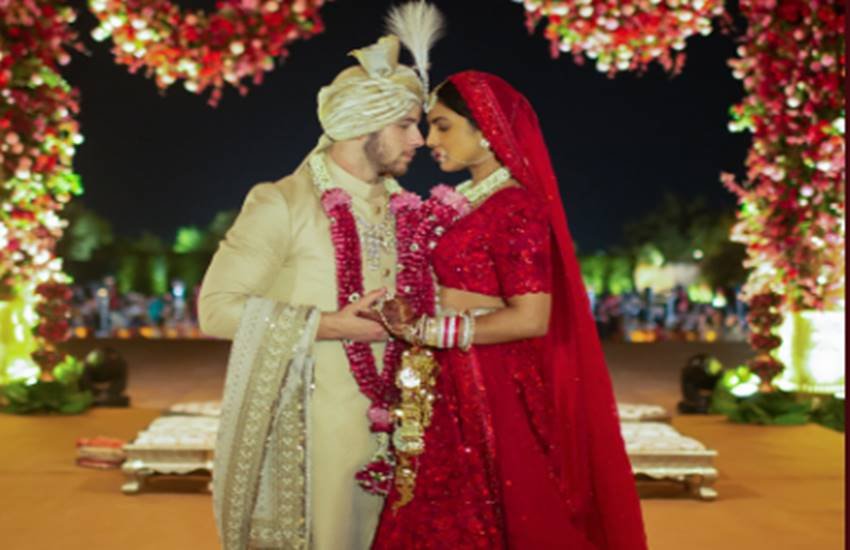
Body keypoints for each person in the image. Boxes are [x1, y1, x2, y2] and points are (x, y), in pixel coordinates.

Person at [197, 5, 444, 546]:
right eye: (406, 124)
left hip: (404, 434)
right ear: (362, 123)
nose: (420, 140)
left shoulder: (409, 212)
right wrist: (331, 325)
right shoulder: (283, 203)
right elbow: (215, 310)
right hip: (310, 438)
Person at [370, 71, 647, 549]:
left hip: (488, 386)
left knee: (485, 513)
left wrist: (433, 329)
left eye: (443, 126)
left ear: (487, 130)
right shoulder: (469, 202)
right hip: (451, 379)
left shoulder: (515, 205)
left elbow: (531, 317)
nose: (430, 139)